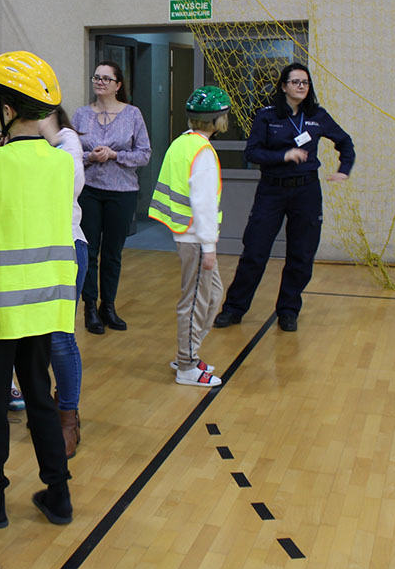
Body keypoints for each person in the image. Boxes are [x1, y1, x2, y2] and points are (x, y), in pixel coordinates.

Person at [0, 51, 75, 531]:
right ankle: (59, 495)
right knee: (40, 398)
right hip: (45, 304)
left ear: (6, 109)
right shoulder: (62, 163)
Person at [213, 62, 355, 333]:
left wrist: (344, 169)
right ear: (283, 86)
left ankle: (288, 311)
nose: (302, 86)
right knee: (255, 252)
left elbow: (345, 142)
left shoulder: (317, 116)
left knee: (301, 254)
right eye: (296, 82)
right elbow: (252, 153)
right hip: (272, 190)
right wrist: (284, 155)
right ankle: (234, 308)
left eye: (305, 82)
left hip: (306, 191)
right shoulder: (267, 116)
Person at [148, 86, 231, 387]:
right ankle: (186, 365)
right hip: (196, 239)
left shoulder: (183, 142)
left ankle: (188, 352)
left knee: (213, 296)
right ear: (218, 120)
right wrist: (208, 247)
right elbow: (204, 203)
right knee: (195, 303)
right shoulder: (202, 153)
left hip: (191, 236)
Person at [73, 60, 151, 333]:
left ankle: (108, 306)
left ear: (118, 85)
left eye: (106, 78)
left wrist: (115, 155)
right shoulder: (81, 115)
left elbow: (144, 154)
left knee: (112, 253)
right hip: (89, 190)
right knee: (89, 250)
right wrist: (90, 157)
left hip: (122, 192)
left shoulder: (132, 114)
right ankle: (89, 308)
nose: (100, 82)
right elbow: (69, 153)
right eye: (97, 77)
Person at [38, 106, 86, 457]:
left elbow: (65, 187)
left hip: (67, 245)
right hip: (32, 250)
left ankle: (69, 415)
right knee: (34, 337)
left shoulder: (66, 141)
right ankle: (45, 405)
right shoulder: (21, 142)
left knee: (59, 336)